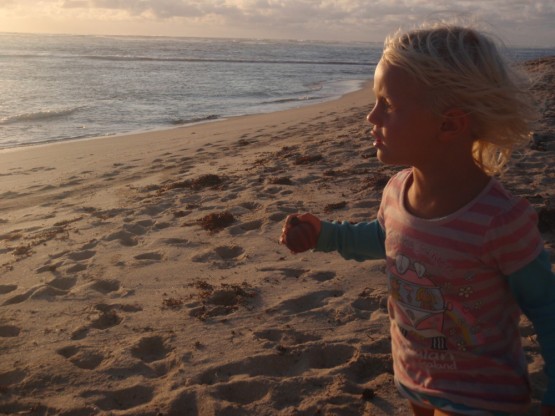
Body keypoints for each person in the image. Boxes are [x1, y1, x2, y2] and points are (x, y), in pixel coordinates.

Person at [279, 22, 555, 416]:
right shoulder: (396, 191)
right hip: (414, 383)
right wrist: (326, 235)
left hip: (481, 400)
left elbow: (547, 307)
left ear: (449, 124)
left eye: (387, 105)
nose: (371, 116)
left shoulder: (500, 221)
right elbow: (384, 238)